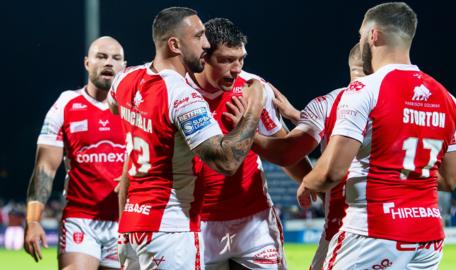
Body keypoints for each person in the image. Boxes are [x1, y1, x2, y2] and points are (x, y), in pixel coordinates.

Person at [301, 2, 456, 269]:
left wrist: (308, 182)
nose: (360, 42)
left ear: (373, 35)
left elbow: (332, 172)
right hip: (428, 237)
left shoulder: (365, 89)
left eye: (360, 36)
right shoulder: (448, 99)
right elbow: (449, 180)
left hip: (374, 231)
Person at [108, 7, 266, 270]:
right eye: (199, 36)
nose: (206, 44)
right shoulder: (183, 96)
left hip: (130, 227)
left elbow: (116, 107)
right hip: (169, 228)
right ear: (175, 44)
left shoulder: (125, 79)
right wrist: (254, 108)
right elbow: (226, 162)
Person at [186, 18, 311, 270]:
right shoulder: (179, 92)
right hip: (198, 224)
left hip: (254, 221)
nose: (236, 68)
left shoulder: (253, 88)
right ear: (204, 56)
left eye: (240, 59)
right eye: (226, 60)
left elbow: (283, 149)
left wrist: (310, 182)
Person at [253, 43, 364, 269]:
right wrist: (298, 115)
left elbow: (287, 153)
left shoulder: (330, 103)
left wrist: (244, 132)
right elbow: (449, 178)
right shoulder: (419, 99)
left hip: (347, 227)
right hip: (416, 229)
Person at [24, 36, 127, 270]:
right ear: (87, 63)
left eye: (115, 58)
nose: (109, 63)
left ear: (124, 66)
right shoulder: (66, 104)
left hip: (125, 220)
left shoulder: (135, 108)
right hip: (80, 219)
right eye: (101, 57)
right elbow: (45, 167)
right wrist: (33, 220)